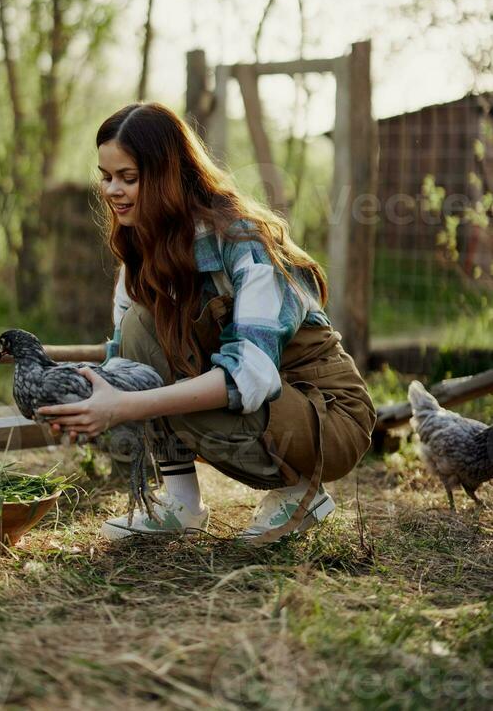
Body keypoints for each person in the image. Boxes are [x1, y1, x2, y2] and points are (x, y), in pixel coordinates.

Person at [38, 102, 377, 543]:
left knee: (165, 397)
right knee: (140, 328)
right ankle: (181, 503)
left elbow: (248, 377)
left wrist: (124, 406)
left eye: (129, 178)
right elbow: (125, 360)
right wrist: (81, 401)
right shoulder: (142, 251)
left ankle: (300, 490)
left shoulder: (242, 241)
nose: (112, 191)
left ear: (165, 175)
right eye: (106, 177)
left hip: (328, 415)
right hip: (271, 409)